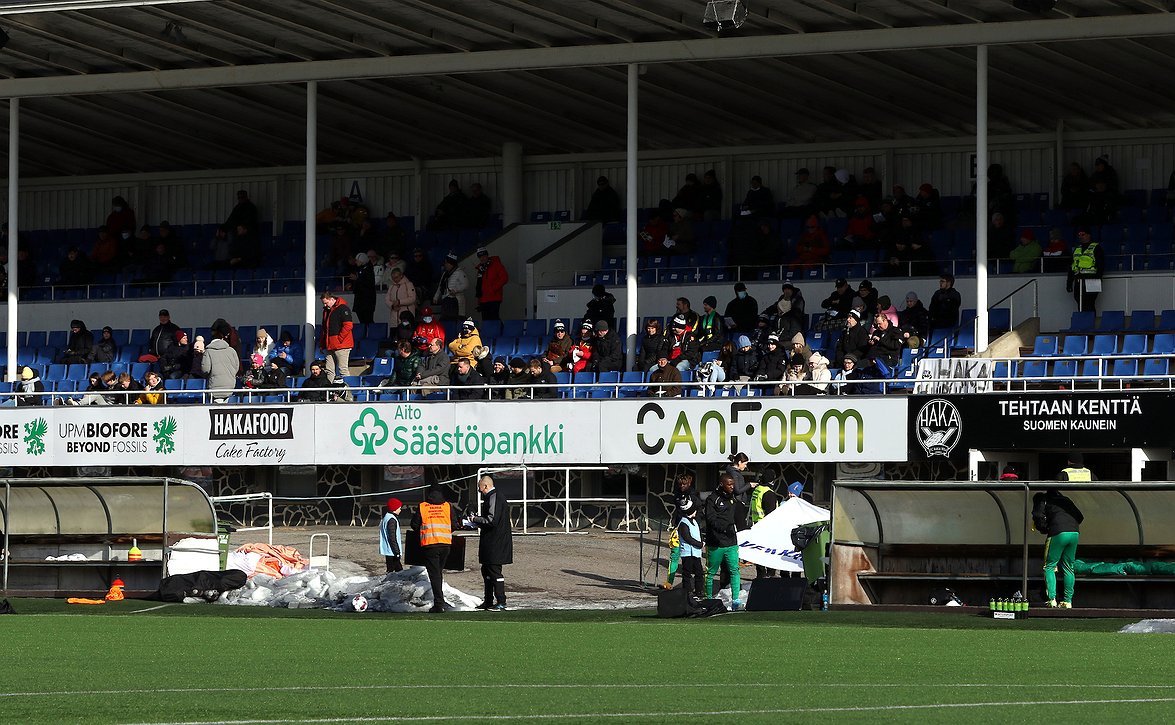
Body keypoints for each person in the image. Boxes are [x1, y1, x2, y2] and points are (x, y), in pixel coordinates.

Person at [411, 484, 462, 613]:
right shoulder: (447, 506)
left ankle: (439, 604)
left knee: (434, 576)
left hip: (430, 545)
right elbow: (455, 524)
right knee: (438, 573)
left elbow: (414, 525)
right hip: (445, 545)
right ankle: (440, 600)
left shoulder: (422, 506)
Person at [466, 474, 513, 611]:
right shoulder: (494, 497)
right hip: (491, 541)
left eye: (480, 488)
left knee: (494, 571)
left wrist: (475, 519)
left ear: (485, 486)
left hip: (496, 542)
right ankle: (488, 601)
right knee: (486, 570)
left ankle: (501, 601)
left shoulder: (495, 497)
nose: (480, 491)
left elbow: (491, 520)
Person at [1032, 487, 1084, 609]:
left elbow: (1038, 516)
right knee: (1068, 567)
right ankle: (1067, 601)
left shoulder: (1043, 499)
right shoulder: (1066, 500)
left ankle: (1052, 600)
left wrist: (1045, 528)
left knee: (1049, 566)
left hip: (1058, 533)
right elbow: (1080, 517)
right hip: (1074, 533)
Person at [704, 473, 742, 610]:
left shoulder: (733, 498)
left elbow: (736, 516)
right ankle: (708, 599)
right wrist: (724, 529)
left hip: (731, 542)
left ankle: (736, 600)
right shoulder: (712, 499)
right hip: (715, 543)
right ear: (722, 484)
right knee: (710, 573)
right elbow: (711, 519)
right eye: (729, 484)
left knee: (734, 570)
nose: (732, 487)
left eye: (733, 484)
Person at [662, 472, 700, 590]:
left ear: (689, 483)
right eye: (680, 484)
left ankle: (696, 588)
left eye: (684, 484)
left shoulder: (693, 495)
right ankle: (669, 582)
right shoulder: (677, 494)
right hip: (678, 526)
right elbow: (677, 509)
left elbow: (698, 512)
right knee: (674, 554)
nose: (682, 486)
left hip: (690, 526)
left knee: (692, 561)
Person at [319, 290, 354, 383]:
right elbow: (324, 329)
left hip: (341, 345)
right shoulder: (326, 311)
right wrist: (323, 344)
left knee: (343, 369)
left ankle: (349, 393)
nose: (325, 305)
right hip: (330, 345)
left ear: (331, 299)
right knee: (329, 370)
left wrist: (339, 339)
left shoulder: (343, 308)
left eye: (326, 303)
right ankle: (328, 392)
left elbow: (348, 326)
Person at [201, 319, 240, 403]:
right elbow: (236, 367)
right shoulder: (231, 350)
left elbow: (205, 370)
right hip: (229, 387)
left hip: (215, 388)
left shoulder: (208, 351)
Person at [1067, 228, 1104, 313]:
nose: (1080, 237)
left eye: (1083, 234)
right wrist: (1069, 282)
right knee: (1080, 303)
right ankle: (1083, 322)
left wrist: (1098, 278)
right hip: (1078, 280)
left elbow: (1100, 264)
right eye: (1079, 235)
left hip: (1092, 280)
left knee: (1089, 303)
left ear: (1088, 235)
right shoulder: (1077, 249)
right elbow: (1072, 266)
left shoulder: (1096, 247)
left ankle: (1090, 323)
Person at [749, 478, 778, 579]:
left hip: (757, 523)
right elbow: (771, 513)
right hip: (767, 526)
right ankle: (769, 574)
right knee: (769, 551)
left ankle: (760, 574)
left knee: (759, 551)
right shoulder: (768, 493)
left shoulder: (757, 490)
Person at [474, 246, 509, 321]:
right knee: (487, 320)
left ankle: (498, 332)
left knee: (493, 319)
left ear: (487, 255)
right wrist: (479, 299)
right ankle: (492, 332)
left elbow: (504, 278)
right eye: (480, 257)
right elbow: (479, 285)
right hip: (484, 299)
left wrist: (493, 289)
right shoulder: (480, 268)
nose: (482, 258)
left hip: (494, 297)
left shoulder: (496, 265)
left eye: (483, 256)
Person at [432, 252, 469, 320]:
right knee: (447, 319)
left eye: (447, 263)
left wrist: (456, 290)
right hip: (446, 299)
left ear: (451, 264)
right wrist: (436, 297)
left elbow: (465, 285)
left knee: (459, 318)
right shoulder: (445, 274)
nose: (445, 265)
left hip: (458, 299)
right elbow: (440, 286)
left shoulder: (460, 273)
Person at [927, 273, 962, 339]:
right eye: (940, 281)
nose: (940, 283)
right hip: (936, 323)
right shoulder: (937, 294)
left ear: (949, 283)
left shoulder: (955, 295)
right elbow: (931, 308)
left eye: (942, 281)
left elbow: (952, 310)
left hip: (949, 323)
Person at [350, 252, 377, 326]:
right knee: (362, 320)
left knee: (368, 319)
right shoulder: (359, 269)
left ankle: (371, 333)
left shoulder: (369, 270)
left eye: (357, 260)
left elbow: (368, 283)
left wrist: (357, 279)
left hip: (367, 300)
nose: (356, 262)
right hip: (360, 300)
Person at [379, 498, 404, 574]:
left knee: (393, 570)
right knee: (397, 572)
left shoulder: (386, 517)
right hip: (392, 551)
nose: (400, 510)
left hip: (388, 550)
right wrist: (397, 552)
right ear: (394, 509)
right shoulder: (391, 520)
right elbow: (392, 537)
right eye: (399, 508)